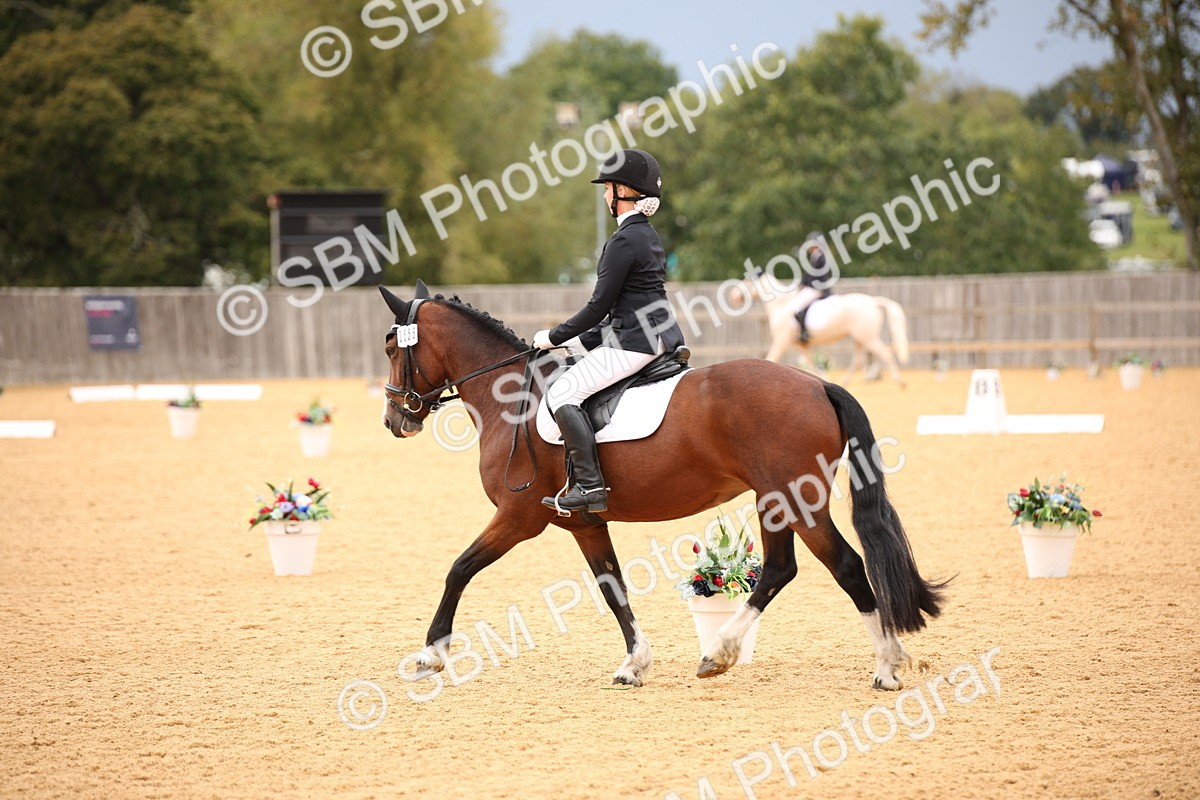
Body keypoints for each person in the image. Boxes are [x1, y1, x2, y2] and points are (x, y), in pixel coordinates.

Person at [532, 149, 685, 514]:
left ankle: (590, 486)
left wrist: (552, 337)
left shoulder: (623, 240)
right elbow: (628, 306)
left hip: (636, 342)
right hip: (659, 334)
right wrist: (580, 340)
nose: (604, 196)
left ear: (623, 191)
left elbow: (598, 307)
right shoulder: (646, 235)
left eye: (607, 189)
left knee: (563, 392)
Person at [791, 231, 835, 343]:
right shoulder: (816, 257)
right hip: (814, 287)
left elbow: (817, 276)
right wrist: (802, 284)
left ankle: (804, 331)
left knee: (799, 306)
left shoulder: (821, 258)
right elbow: (809, 275)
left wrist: (807, 285)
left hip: (818, 289)